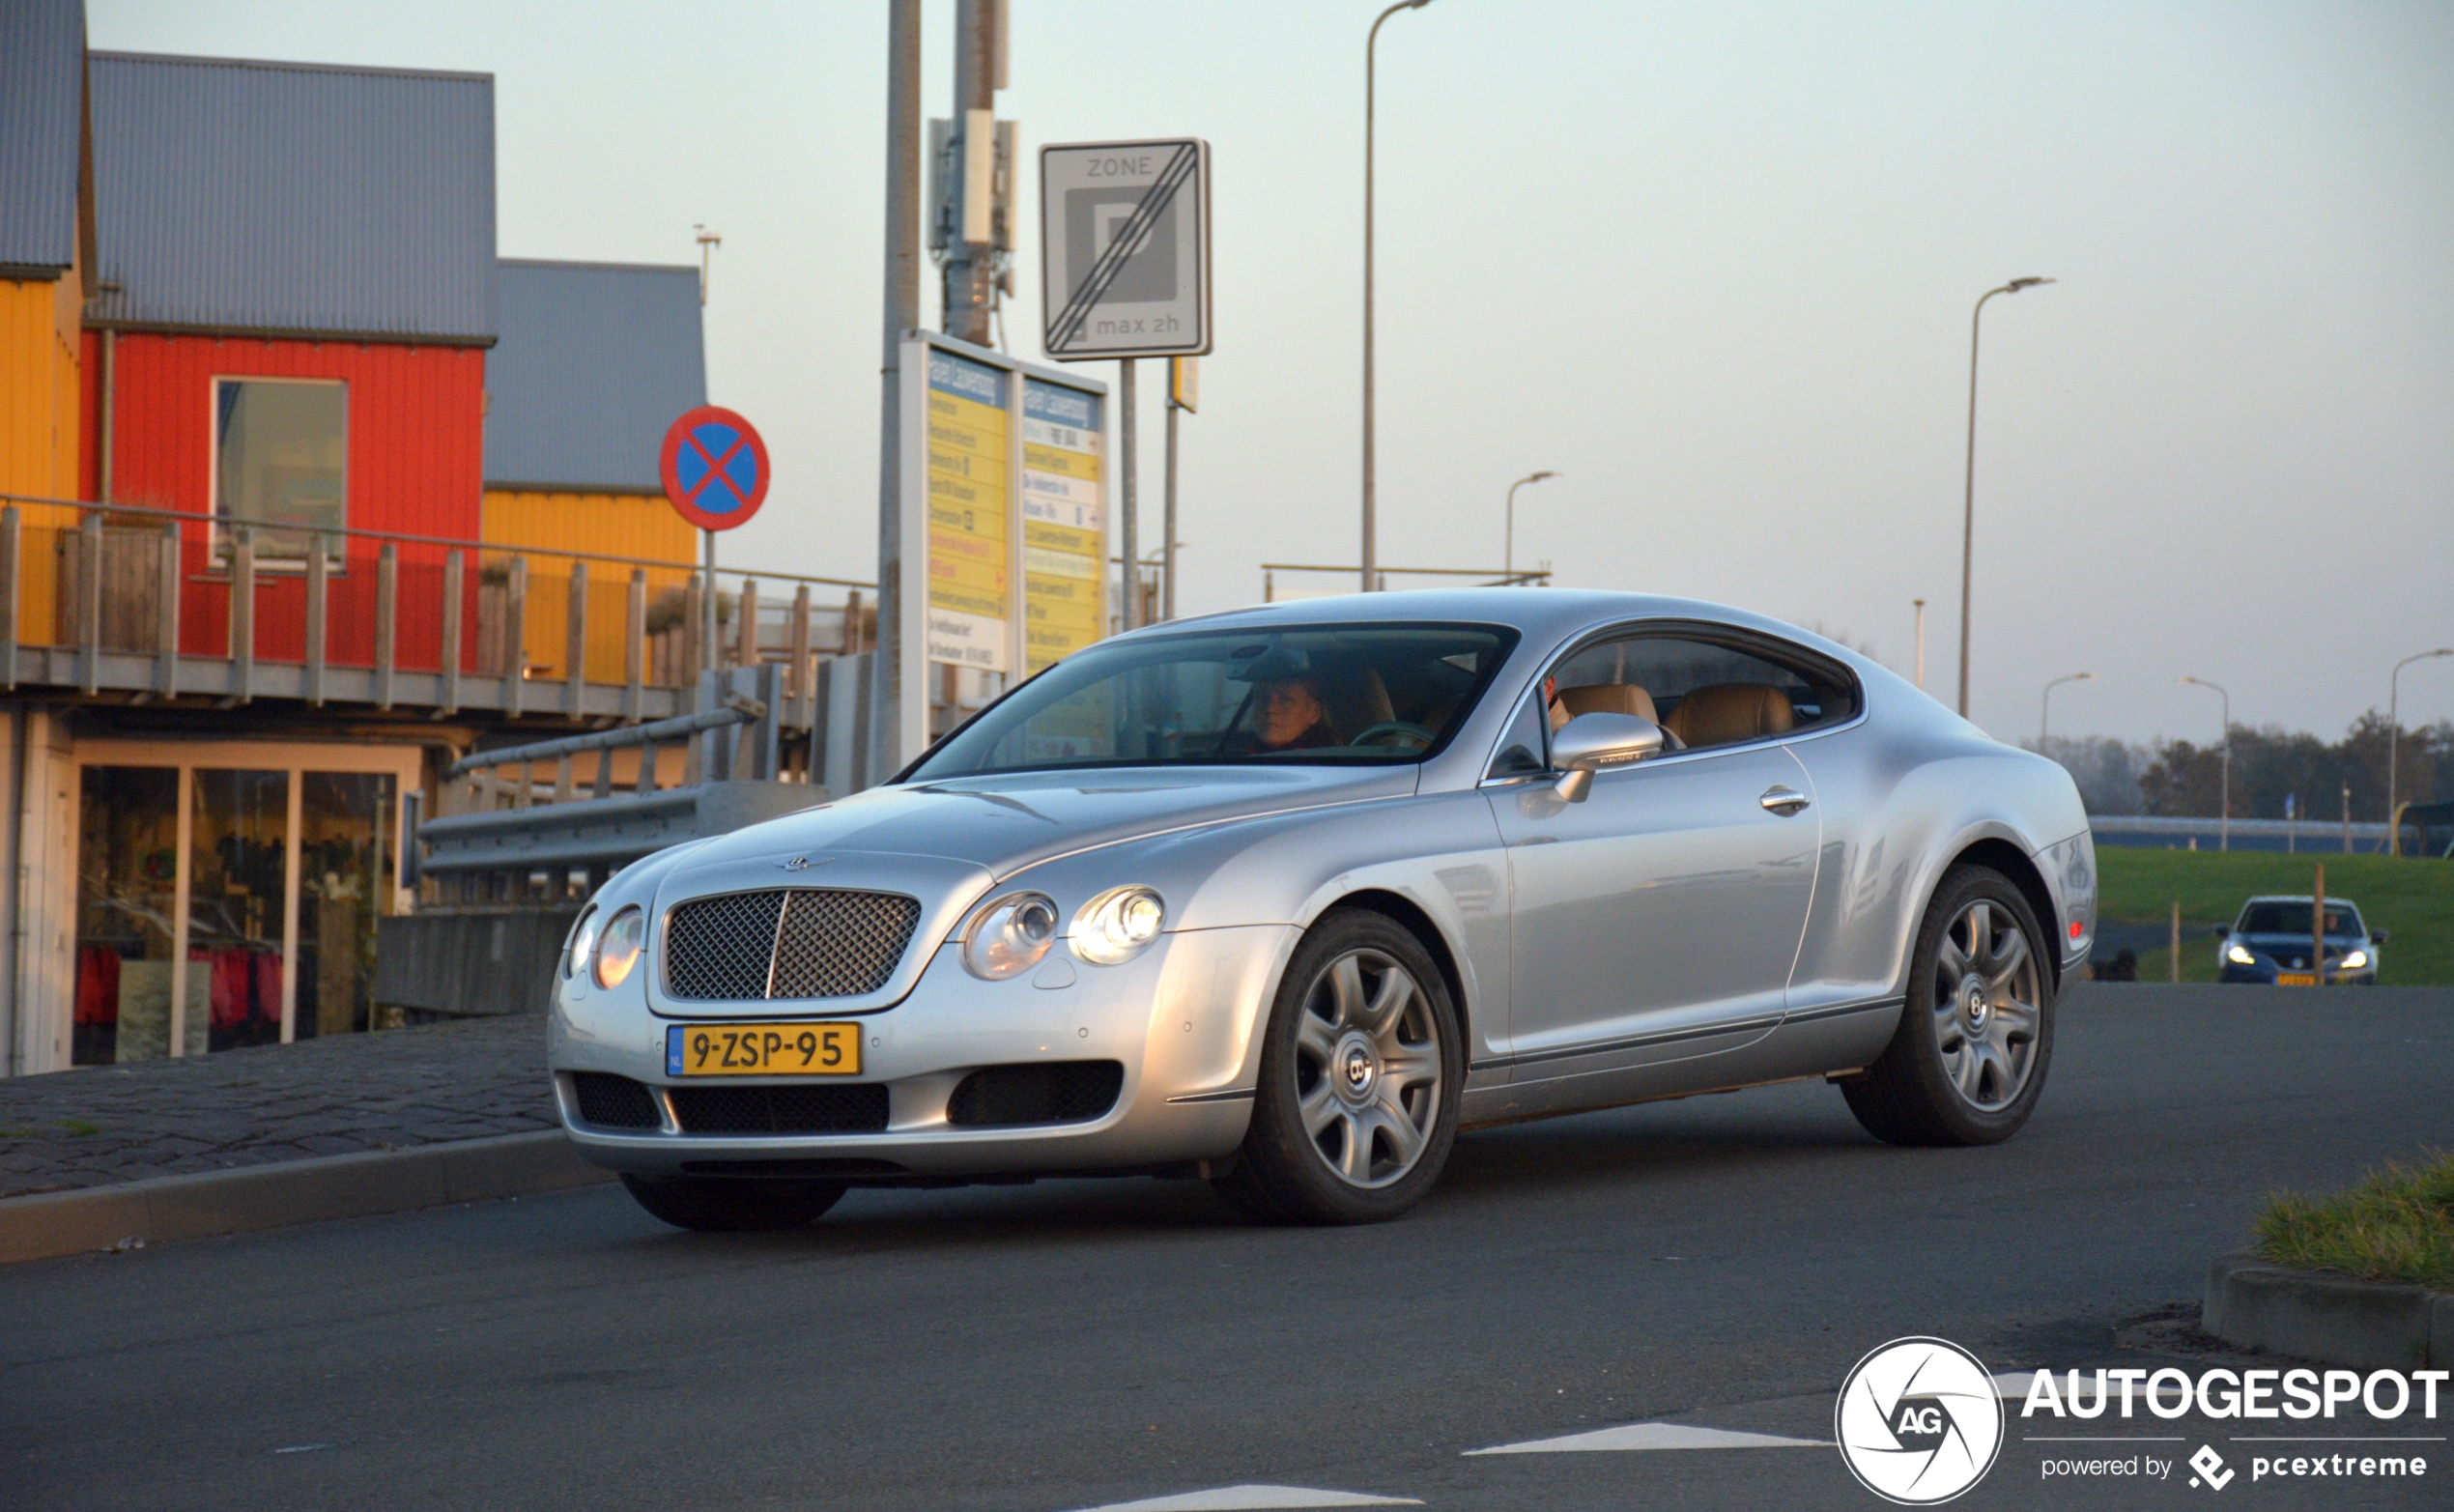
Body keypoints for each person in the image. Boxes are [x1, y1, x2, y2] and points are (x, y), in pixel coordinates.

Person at [1225, 675, 1335, 754]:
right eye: (1263, 698)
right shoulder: (1230, 756)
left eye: (1285, 700)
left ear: (1314, 713)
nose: (1270, 709)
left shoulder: (1329, 763)